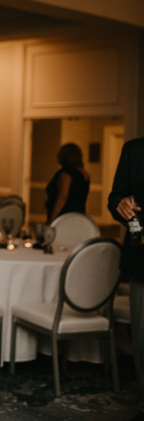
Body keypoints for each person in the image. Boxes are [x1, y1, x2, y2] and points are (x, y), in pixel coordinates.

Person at [108, 137, 144, 421]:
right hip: (142, 259)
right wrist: (119, 204)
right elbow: (115, 197)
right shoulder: (134, 149)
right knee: (142, 339)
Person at [46, 142, 90, 223]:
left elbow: (62, 197)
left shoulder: (66, 173)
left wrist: (51, 221)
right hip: (78, 215)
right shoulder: (84, 173)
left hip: (64, 216)